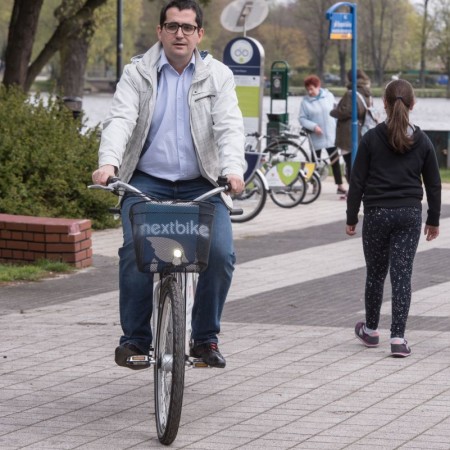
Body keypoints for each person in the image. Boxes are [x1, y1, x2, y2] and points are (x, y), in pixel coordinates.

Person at [92, 0, 246, 369]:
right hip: (147, 181)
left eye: (188, 27)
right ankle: (135, 341)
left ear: (199, 34)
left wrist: (233, 170)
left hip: (202, 183)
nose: (180, 33)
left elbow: (229, 126)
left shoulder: (218, 75)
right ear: (160, 31)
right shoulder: (138, 74)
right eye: (172, 26)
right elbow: (121, 118)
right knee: (134, 253)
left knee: (221, 255)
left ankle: (205, 339)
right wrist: (108, 163)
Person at [346, 79, 441, 358]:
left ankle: (371, 331)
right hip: (409, 214)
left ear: (384, 104)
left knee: (375, 274)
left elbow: (357, 181)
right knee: (402, 276)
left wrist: (352, 216)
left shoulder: (371, 138)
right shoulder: (422, 140)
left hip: (376, 213)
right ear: (413, 105)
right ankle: (398, 338)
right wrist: (433, 219)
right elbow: (434, 184)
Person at [298, 75, 346, 195]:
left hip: (330, 134)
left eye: (312, 89)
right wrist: (314, 126)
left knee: (335, 160)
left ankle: (340, 186)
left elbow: (336, 111)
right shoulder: (305, 102)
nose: (310, 91)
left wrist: (339, 127)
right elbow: (302, 119)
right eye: (308, 89)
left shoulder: (328, 96)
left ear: (318, 87)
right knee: (313, 161)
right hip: (316, 136)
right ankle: (312, 185)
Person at [330, 69, 373, 185]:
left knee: (350, 162)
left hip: (349, 133)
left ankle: (353, 190)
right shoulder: (367, 92)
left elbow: (346, 111)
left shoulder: (350, 93)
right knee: (359, 162)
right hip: (362, 130)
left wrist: (334, 111)